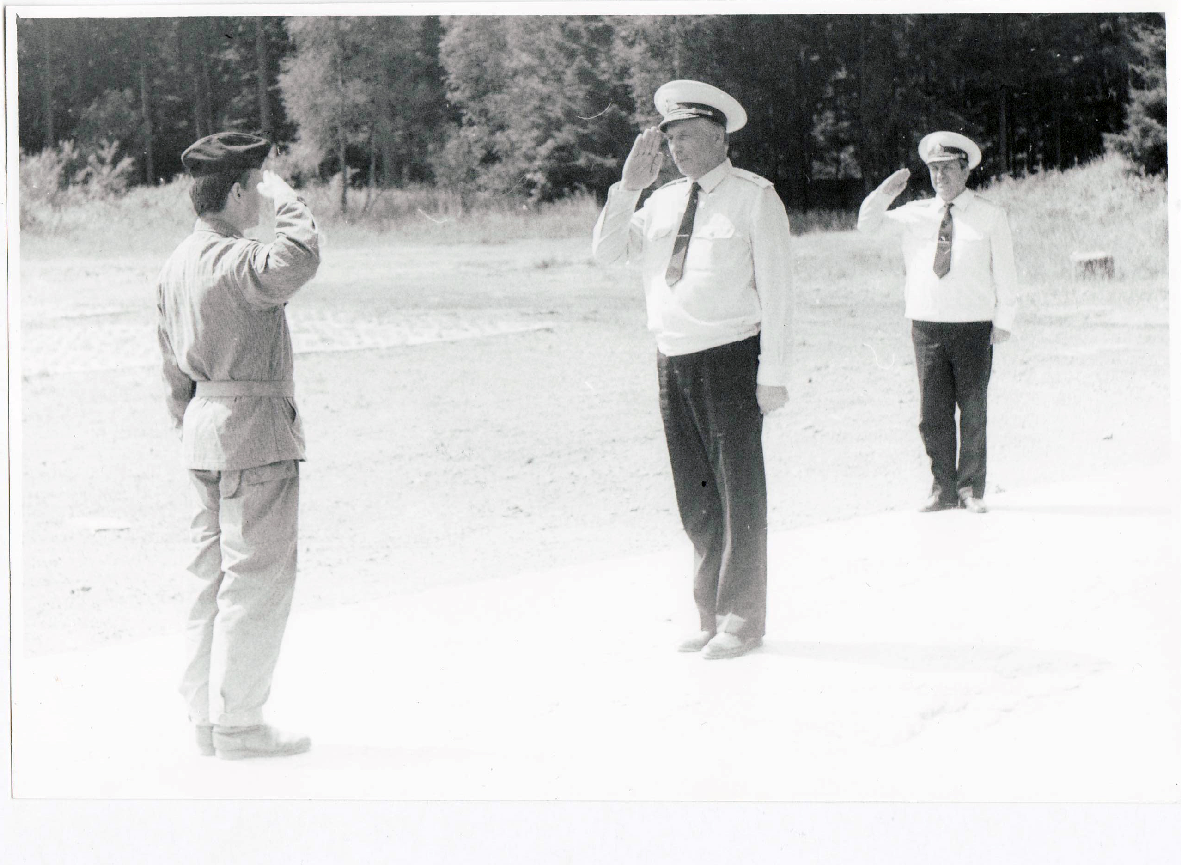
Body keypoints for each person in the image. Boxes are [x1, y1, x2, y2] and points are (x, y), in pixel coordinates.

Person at [592, 80, 793, 660]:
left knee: (739, 493)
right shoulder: (659, 201)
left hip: (730, 358)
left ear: (719, 138)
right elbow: (607, 252)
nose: (676, 148)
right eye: (671, 138)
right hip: (673, 360)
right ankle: (710, 614)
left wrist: (773, 373)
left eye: (687, 136)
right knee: (697, 497)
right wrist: (628, 188)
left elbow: (778, 292)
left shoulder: (754, 197)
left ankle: (742, 619)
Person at [156, 132, 321, 759]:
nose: (260, 196)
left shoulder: (176, 264)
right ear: (234, 192)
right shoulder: (238, 261)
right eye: (254, 185)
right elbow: (299, 257)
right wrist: (289, 200)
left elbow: (172, 371)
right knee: (256, 582)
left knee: (209, 580)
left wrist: (192, 424)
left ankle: (205, 717)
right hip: (254, 433)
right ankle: (241, 724)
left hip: (203, 432)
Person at [858, 131, 1018, 514]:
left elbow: (1006, 272)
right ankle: (942, 488)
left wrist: (1004, 320)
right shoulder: (914, 213)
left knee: (973, 411)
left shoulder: (989, 215)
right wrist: (884, 193)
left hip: (973, 325)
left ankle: (970, 489)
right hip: (927, 325)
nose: (940, 176)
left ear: (965, 170)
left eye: (947, 168)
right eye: (933, 169)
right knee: (933, 414)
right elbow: (867, 224)